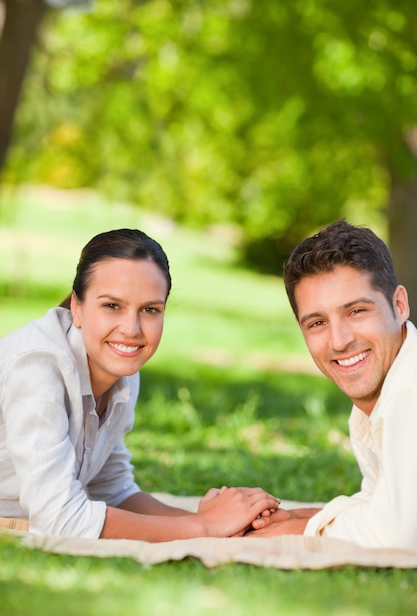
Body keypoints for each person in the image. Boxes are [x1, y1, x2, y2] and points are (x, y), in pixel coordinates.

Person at [0, 228, 279, 541]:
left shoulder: (122, 372)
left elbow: (113, 491)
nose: (131, 330)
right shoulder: (37, 366)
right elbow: (59, 520)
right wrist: (204, 528)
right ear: (77, 307)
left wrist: (218, 520)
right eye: (112, 306)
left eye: (149, 310)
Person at [249, 219, 417, 550]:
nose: (339, 341)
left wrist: (294, 533)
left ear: (399, 305)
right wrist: (299, 517)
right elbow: (380, 503)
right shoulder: (378, 400)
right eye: (318, 322)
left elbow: (400, 533)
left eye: (356, 311)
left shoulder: (407, 396)